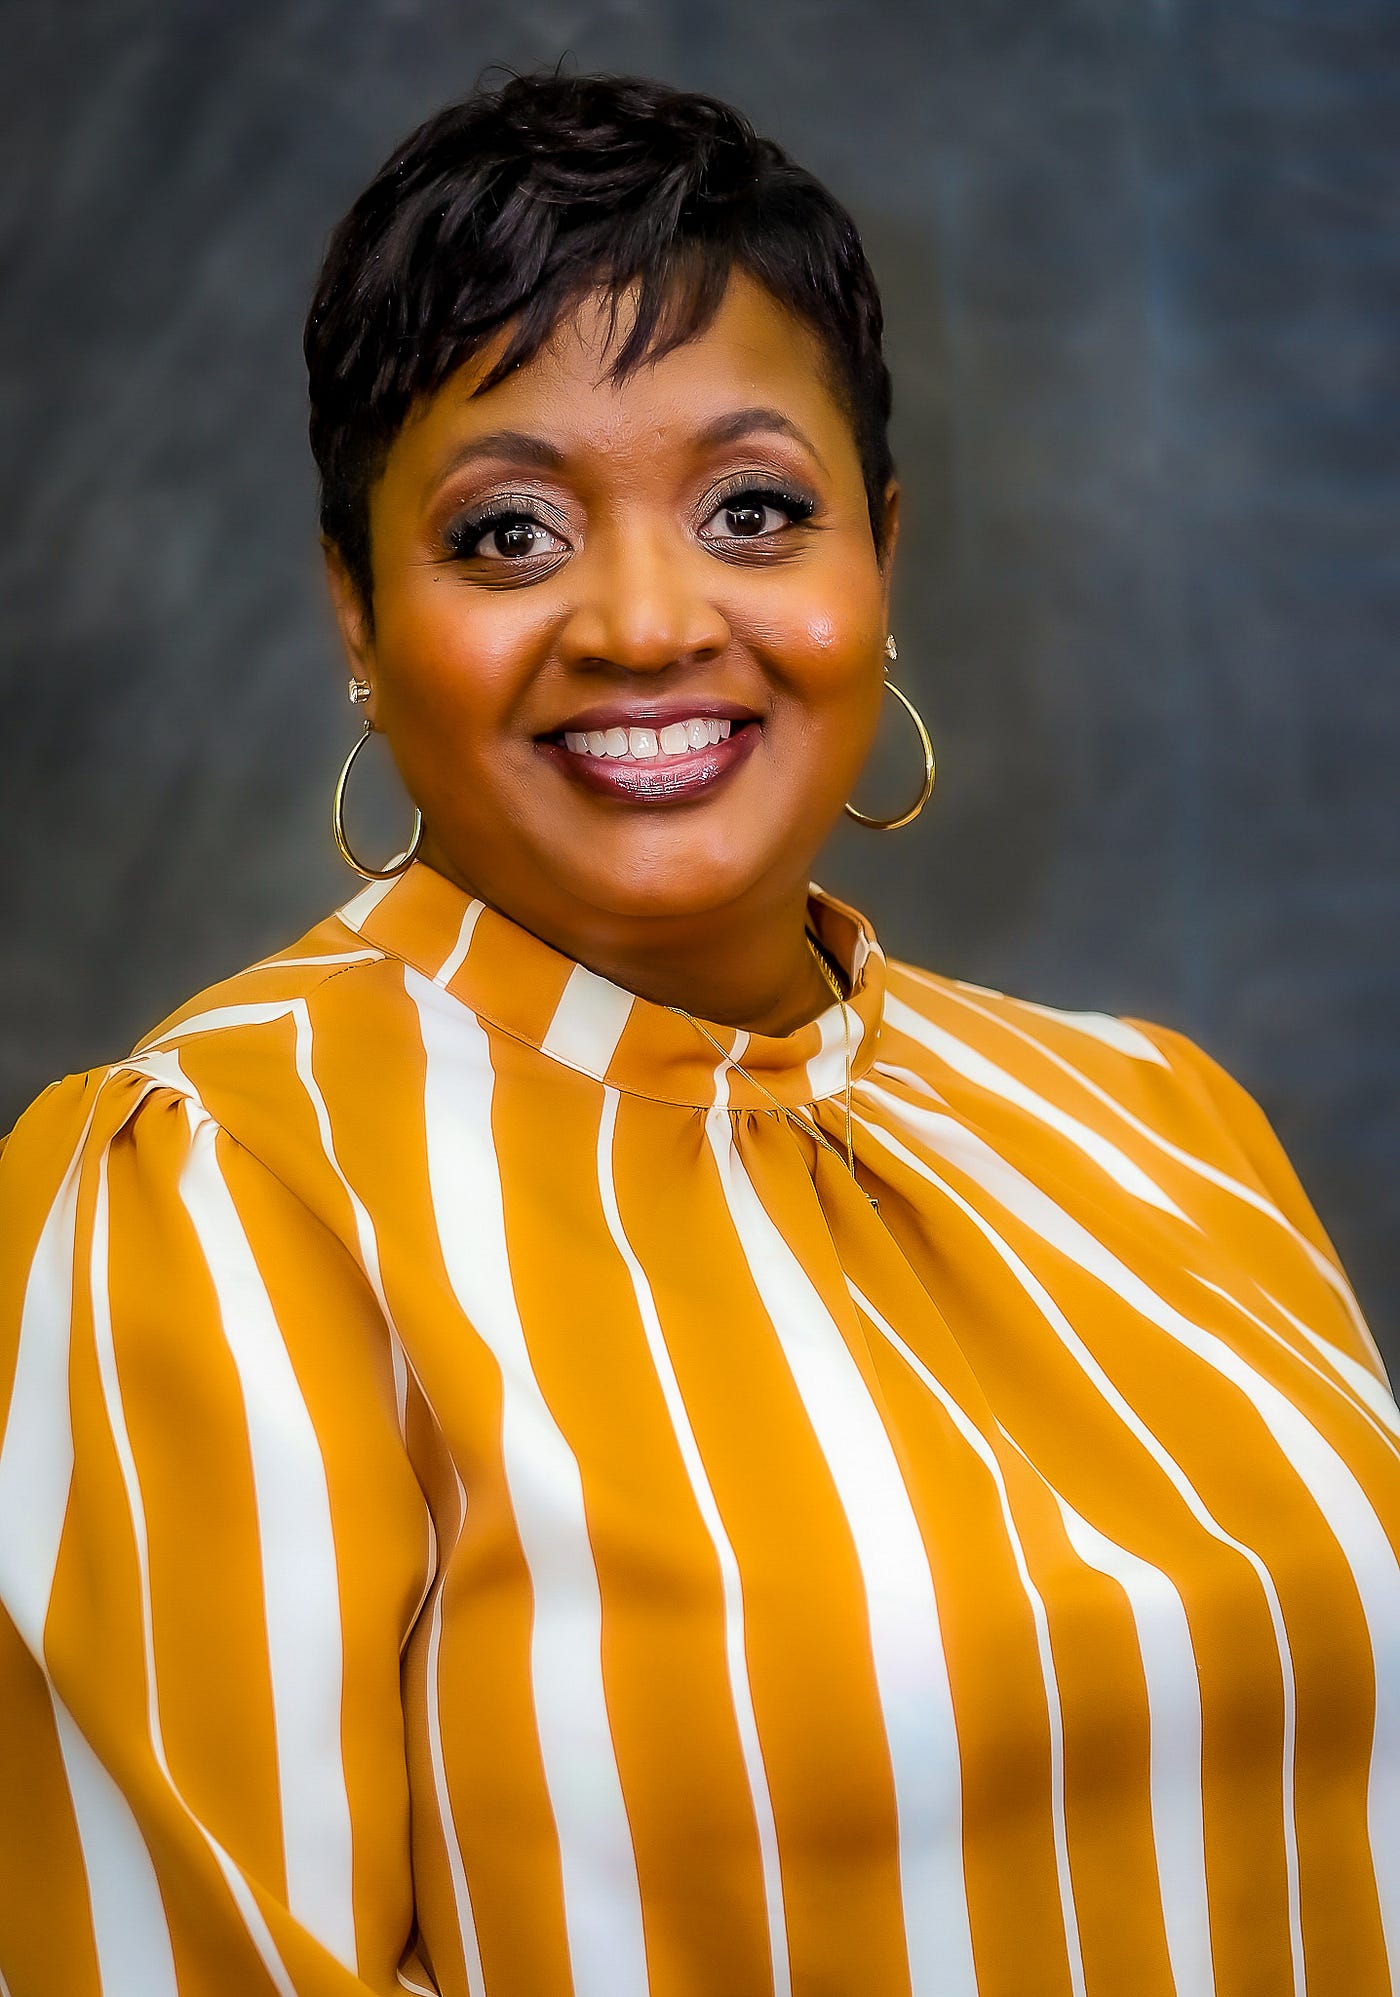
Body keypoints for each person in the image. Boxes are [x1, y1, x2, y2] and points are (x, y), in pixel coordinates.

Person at [0, 67, 1396, 1997]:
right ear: (357, 612)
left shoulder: (1164, 1120)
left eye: (754, 508)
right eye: (508, 533)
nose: (648, 621)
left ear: (878, 558)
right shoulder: (212, 1190)